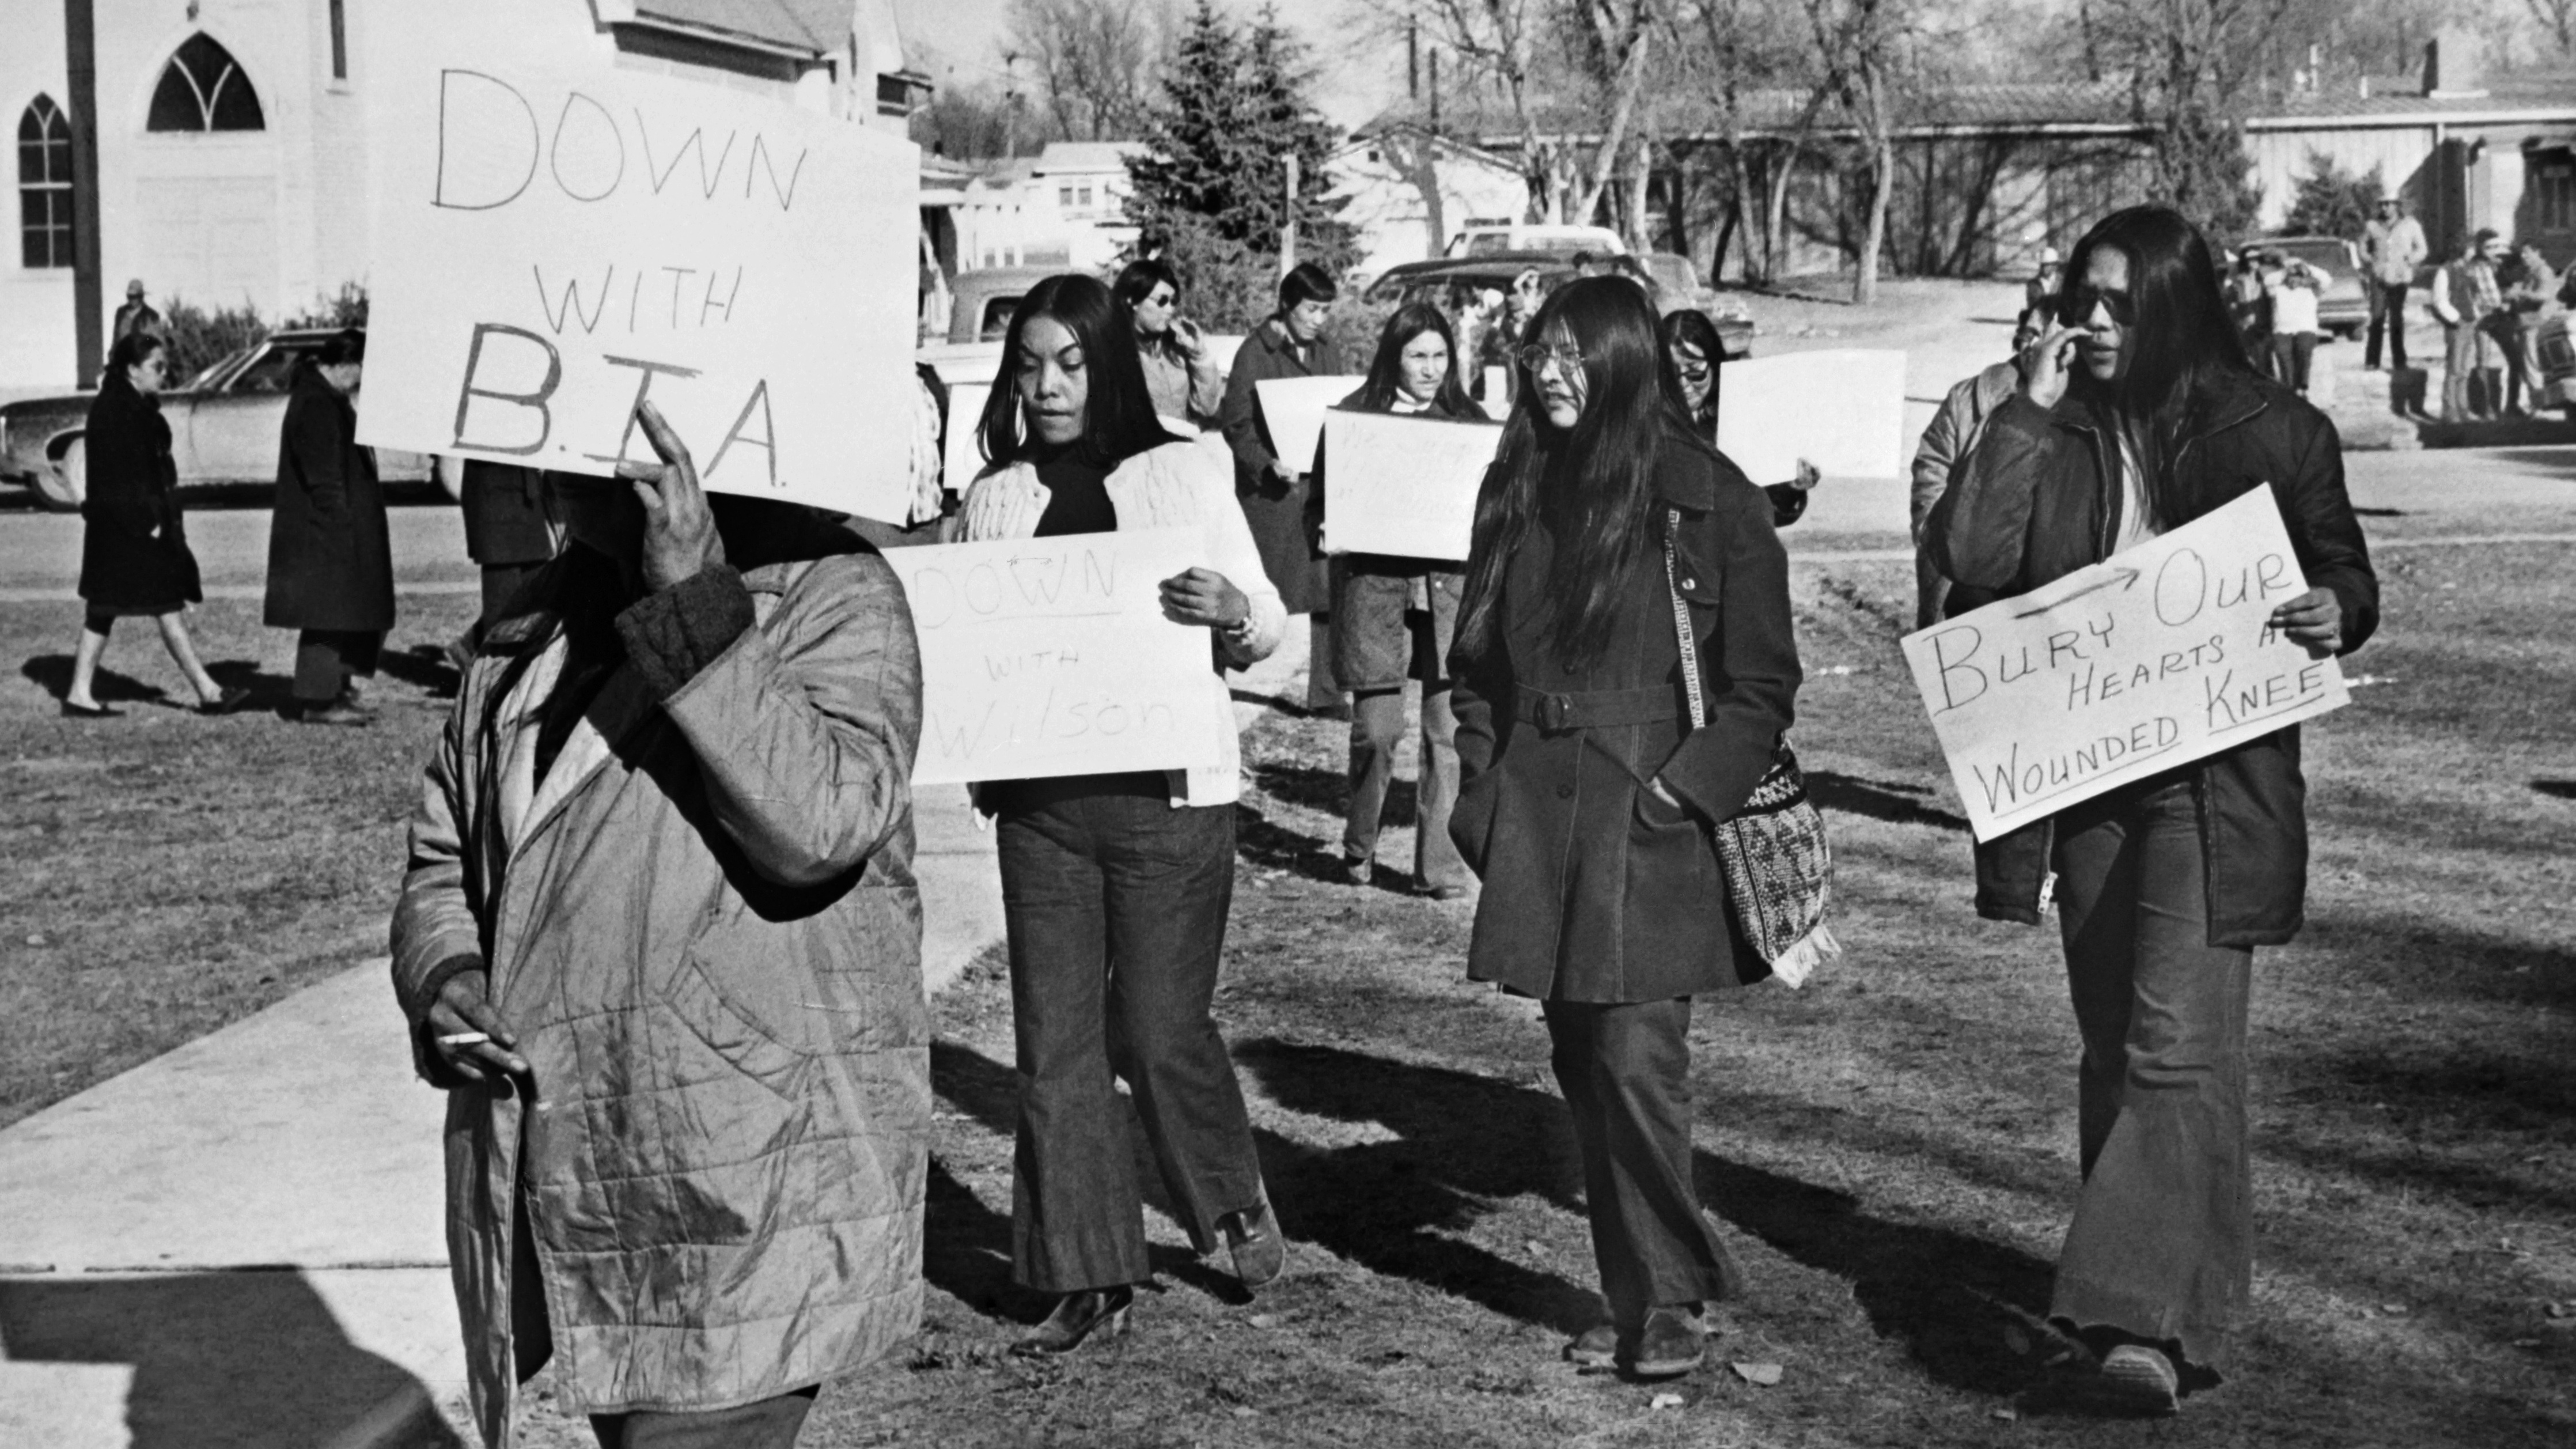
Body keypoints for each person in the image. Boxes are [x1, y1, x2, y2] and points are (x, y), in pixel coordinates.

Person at [392, 400, 927, 1449]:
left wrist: (692, 601)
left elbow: (820, 823)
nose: (537, 466)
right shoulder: (531, 622)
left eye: (573, 438)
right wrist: (446, 970)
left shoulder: (832, 592)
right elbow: (443, 852)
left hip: (746, 1164)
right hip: (591, 1166)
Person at [1926, 205, 2377, 1416]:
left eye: (2122, 302)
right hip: (2085, 780)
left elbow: (2343, 568)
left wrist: (2336, 603)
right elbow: (1970, 557)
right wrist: (2022, 407)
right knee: (2129, 1054)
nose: (2095, 320)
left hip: (2213, 786)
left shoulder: (2277, 429)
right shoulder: (2047, 419)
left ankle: (2128, 1317)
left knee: (2175, 1051)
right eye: (2085, 296)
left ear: (2177, 306)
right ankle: (2187, 1318)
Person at [1448, 276, 1800, 1380]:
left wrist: (1681, 794)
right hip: (1539, 816)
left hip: (1652, 821)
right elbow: (1471, 670)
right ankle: (1636, 1290)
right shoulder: (1515, 483)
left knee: (1635, 1059)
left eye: (1574, 355)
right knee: (1581, 1064)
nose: (1550, 374)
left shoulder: (1708, 497)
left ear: (1624, 362)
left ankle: (1673, 1300)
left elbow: (1760, 683)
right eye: (1538, 353)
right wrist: (1479, 795)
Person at [951, 274, 1290, 1356]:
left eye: (1069, 362)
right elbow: (970, 649)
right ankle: (1084, 1271)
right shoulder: (992, 497)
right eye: (1028, 365)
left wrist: (1233, 615)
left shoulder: (1186, 470)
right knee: (1054, 1046)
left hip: (1168, 805)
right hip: (1043, 814)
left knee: (1156, 1026)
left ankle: (1227, 1199)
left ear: (1108, 363)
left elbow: (1268, 617)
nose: (1046, 386)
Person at [1312, 302, 1486, 900]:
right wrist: (1326, 528)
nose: (1430, 368)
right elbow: (1321, 503)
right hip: (1375, 593)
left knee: (1446, 733)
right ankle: (1358, 843)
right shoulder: (1356, 419)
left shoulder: (1467, 419)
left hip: (1446, 593)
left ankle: (1438, 868)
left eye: (1440, 356)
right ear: (1394, 355)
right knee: (1378, 730)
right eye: (1417, 355)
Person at [63, 331, 247, 718]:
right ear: (132, 369)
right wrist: (150, 524)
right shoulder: (118, 410)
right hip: (131, 530)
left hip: (120, 530)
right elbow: (118, 477)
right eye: (156, 367)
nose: (164, 373)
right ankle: (208, 691)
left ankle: (80, 692)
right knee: (165, 604)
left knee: (104, 609)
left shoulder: (126, 404)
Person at [1221, 262, 1347, 713]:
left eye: (1325, 311)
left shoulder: (1328, 350)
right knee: (1256, 592)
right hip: (1273, 499)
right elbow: (1235, 422)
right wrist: (1268, 463)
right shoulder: (1255, 352)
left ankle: (1329, 696)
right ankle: (1220, 666)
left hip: (1317, 491)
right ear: (1288, 306)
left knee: (1329, 590)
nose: (1319, 319)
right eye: (1312, 309)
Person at [262, 329, 392, 725]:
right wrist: (340, 531)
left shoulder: (326, 398)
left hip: (334, 526)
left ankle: (335, 688)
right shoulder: (317, 405)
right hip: (324, 530)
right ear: (346, 364)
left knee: (341, 611)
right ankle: (318, 701)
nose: (361, 382)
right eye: (361, 372)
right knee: (326, 613)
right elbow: (324, 480)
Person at [1908, 307, 2040, 628]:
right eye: (2030, 334)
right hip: (1963, 586)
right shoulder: (1967, 399)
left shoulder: (2087, 411)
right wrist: (1943, 547)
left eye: (2048, 335)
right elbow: (1931, 473)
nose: (2035, 345)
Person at [1661, 308, 1819, 529]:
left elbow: (1767, 511)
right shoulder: (1645, 421)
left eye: (1695, 371)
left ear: (1715, 366)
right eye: (1672, 372)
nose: (1683, 383)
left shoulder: (1739, 417)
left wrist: (1790, 489)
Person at [453, 461, 558, 659]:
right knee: (502, 602)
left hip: (526, 491)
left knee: (538, 589)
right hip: (493, 496)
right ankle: (488, 667)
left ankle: (470, 648)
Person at [1113, 258, 1223, 427]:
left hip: (1180, 447)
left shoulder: (1176, 350)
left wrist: (1199, 355)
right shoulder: (1115, 352)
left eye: (1174, 301)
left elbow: (1208, 408)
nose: (1170, 310)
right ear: (1133, 301)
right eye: (1162, 301)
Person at [2430, 229, 2506, 421]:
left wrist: (2477, 314)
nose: (2474, 251)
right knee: (2454, 368)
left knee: (2464, 369)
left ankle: (2462, 408)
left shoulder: (2469, 269)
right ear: (2463, 249)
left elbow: (2476, 296)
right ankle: (2449, 409)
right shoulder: (2446, 270)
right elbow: (2439, 299)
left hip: (2471, 321)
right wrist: (2455, 318)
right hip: (2457, 324)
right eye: (2471, 248)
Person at [2361, 196, 2426, 372]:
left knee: (2396, 318)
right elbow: (2363, 248)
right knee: (2377, 317)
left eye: (2388, 204)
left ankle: (2399, 360)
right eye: (2381, 204)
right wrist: (2371, 262)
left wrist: (2410, 260)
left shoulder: (2410, 225)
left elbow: (2422, 249)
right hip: (2379, 278)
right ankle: (2372, 360)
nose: (2384, 208)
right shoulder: (2372, 226)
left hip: (2400, 278)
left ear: (2397, 205)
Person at [2497, 240, 2562, 417]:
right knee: (2527, 366)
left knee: (2532, 365)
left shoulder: (2543, 271)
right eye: (2522, 254)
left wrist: (2521, 293)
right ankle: (2536, 404)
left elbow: (2545, 295)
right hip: (2525, 323)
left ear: (2538, 252)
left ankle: (2539, 406)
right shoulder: (2529, 272)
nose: (2524, 257)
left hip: (2535, 324)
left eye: (2527, 253)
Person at [2266, 256, 2323, 396]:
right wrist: (2286, 270)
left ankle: (2302, 388)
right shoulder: (2277, 287)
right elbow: (2267, 280)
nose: (2294, 280)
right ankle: (2290, 391)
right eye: (2291, 276)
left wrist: (2305, 267)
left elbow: (2327, 279)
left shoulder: (2312, 288)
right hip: (2282, 329)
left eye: (2297, 276)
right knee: (2284, 359)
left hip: (2306, 328)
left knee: (2304, 354)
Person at [111, 279, 162, 345]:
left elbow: (158, 341)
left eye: (135, 297)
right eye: (130, 296)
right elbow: (116, 339)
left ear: (141, 297)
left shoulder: (152, 316)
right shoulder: (121, 313)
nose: (132, 299)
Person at [2024, 245, 2064, 312]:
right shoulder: (2033, 285)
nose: (2044, 268)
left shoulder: (2062, 282)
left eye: (2048, 265)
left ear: (2055, 266)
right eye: (2043, 265)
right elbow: (2033, 307)